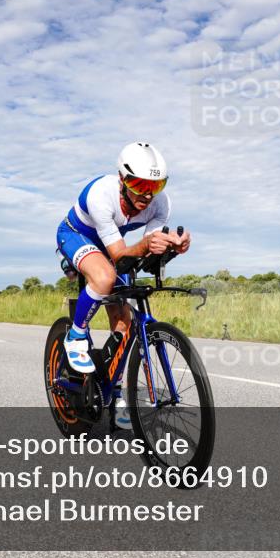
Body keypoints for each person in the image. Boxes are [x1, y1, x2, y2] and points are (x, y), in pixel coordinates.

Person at [56, 143, 190, 429]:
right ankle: (76, 336)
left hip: (111, 244)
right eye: (139, 184)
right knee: (103, 278)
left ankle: (114, 392)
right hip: (78, 235)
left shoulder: (160, 202)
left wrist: (174, 246)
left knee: (125, 323)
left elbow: (148, 248)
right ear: (122, 178)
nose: (146, 194)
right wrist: (143, 245)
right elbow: (118, 254)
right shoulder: (101, 194)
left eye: (155, 185)